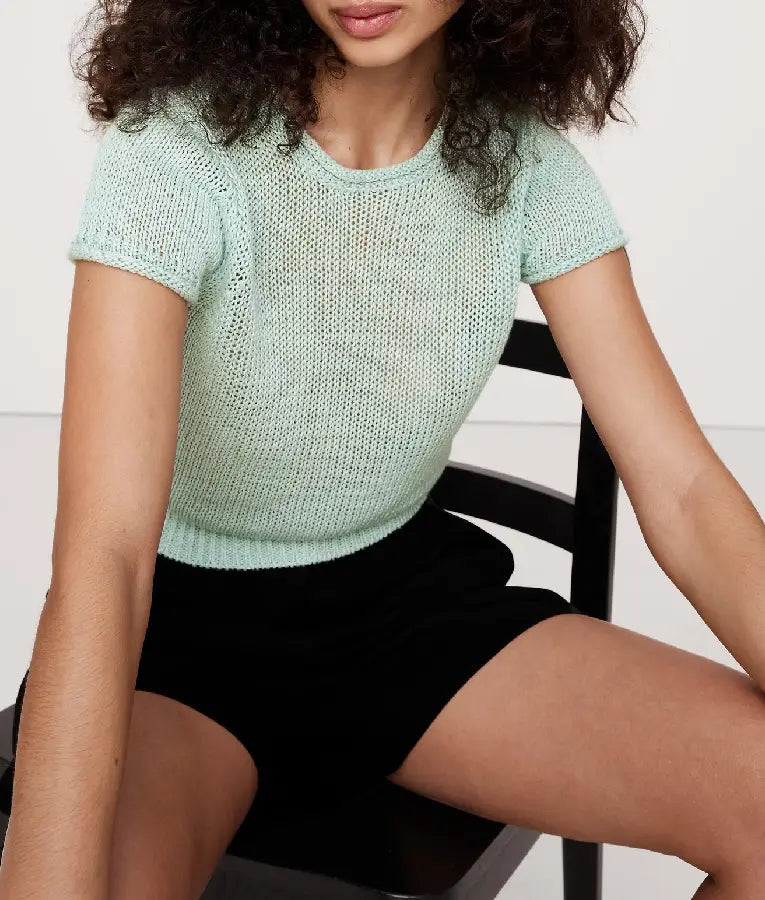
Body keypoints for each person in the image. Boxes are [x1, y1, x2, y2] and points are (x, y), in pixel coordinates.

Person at [2, 1, 765, 898]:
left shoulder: (525, 169)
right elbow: (106, 555)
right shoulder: (171, 158)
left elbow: (682, 489)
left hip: (401, 614)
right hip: (175, 643)